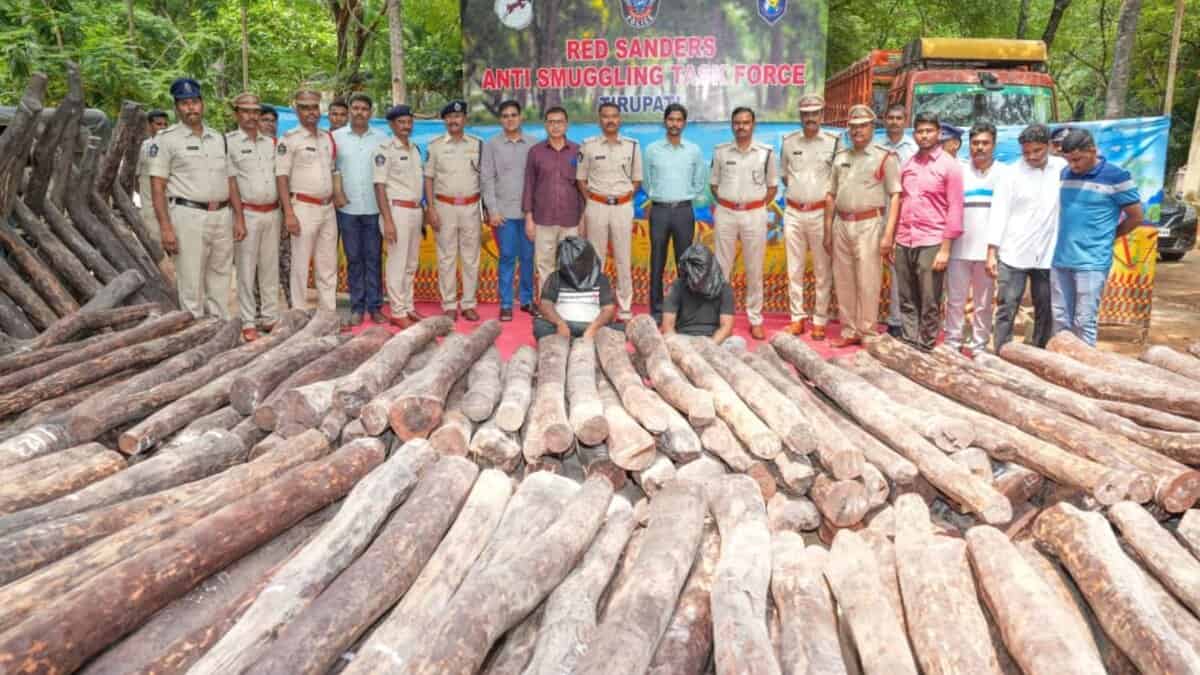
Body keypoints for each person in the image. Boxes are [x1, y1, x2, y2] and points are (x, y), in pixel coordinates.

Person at [147, 78, 234, 320]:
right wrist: (165, 227)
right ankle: (194, 333)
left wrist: (235, 217)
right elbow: (157, 187)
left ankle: (221, 329)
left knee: (220, 276)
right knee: (191, 280)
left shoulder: (217, 138)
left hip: (221, 215)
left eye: (195, 102)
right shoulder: (166, 140)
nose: (191, 108)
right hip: (188, 217)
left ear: (202, 104)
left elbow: (229, 179)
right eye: (184, 104)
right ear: (176, 108)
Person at [1051, 128, 1143, 346]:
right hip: (1061, 258)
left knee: (1084, 321)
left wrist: (1111, 235)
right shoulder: (1064, 174)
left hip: (1092, 262)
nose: (1073, 165)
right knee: (1060, 318)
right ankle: (1061, 365)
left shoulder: (1116, 177)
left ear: (1092, 150)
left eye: (1077, 159)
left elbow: (1136, 217)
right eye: (1069, 160)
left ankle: (1085, 369)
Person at [883, 111, 963, 351]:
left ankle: (926, 346)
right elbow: (900, 203)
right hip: (906, 239)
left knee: (929, 299)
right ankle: (909, 341)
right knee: (906, 297)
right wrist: (894, 239)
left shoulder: (949, 166)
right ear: (914, 134)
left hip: (932, 241)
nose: (924, 135)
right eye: (920, 131)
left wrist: (945, 250)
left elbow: (955, 210)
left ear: (938, 133)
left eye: (929, 131)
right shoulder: (909, 164)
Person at [825, 104, 901, 348]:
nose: (858, 131)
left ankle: (867, 331)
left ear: (872, 127)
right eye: (853, 127)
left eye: (863, 126)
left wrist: (888, 234)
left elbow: (896, 196)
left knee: (868, 279)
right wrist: (828, 230)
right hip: (842, 223)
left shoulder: (884, 157)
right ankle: (848, 330)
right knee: (844, 279)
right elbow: (831, 195)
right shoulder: (840, 158)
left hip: (870, 223)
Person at [987, 123, 1067, 350]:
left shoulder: (1062, 169)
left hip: (1048, 254)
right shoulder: (1010, 174)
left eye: (1038, 151)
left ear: (1050, 146)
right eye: (1026, 152)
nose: (1031, 157)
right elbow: (998, 213)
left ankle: (1039, 353)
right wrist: (992, 252)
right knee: (1007, 306)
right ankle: (1002, 351)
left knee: (1046, 307)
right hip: (1013, 253)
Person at [710, 106, 777, 340]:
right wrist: (730, 204)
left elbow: (772, 187)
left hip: (754, 214)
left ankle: (755, 318)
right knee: (721, 268)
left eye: (746, 122)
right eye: (737, 122)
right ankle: (720, 316)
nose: (741, 127)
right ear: (732, 125)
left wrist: (754, 205)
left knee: (754, 268)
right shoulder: (721, 152)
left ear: (753, 125)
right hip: (726, 212)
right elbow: (714, 185)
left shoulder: (766, 153)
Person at [577, 102, 642, 323]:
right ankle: (597, 306)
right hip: (596, 206)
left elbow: (637, 179)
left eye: (614, 116)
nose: (610, 120)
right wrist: (596, 200)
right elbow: (581, 179)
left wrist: (623, 198)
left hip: (623, 207)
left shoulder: (632, 146)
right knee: (596, 259)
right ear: (599, 120)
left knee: (624, 258)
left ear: (620, 119)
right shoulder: (588, 146)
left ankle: (624, 308)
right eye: (606, 116)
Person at [779, 94, 838, 339]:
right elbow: (785, 176)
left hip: (820, 214)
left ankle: (820, 320)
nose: (810, 118)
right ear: (800, 117)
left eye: (815, 113)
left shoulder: (834, 142)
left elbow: (836, 180)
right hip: (793, 211)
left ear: (822, 115)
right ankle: (797, 317)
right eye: (806, 114)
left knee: (823, 270)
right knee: (794, 268)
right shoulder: (789, 142)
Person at [276, 89, 339, 311]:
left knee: (327, 264)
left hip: (327, 208)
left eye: (314, 107)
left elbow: (332, 171)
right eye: (304, 107)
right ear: (296, 110)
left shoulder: (326, 138)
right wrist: (289, 213)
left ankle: (327, 314)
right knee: (300, 266)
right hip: (302, 208)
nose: (310, 112)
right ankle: (299, 314)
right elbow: (281, 177)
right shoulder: (289, 139)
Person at [643, 103, 706, 323]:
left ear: (684, 123)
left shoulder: (693, 150)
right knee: (657, 261)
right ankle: (658, 311)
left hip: (683, 211)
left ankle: (684, 309)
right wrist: (658, 195)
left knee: (685, 264)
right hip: (659, 210)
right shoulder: (652, 150)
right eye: (671, 119)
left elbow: (699, 181)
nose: (674, 124)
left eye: (679, 120)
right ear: (665, 122)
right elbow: (646, 182)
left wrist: (685, 195)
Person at [226, 92, 281, 341]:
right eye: (246, 111)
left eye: (255, 112)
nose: (251, 116)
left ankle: (270, 318)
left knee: (270, 269)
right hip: (246, 213)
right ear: (237, 113)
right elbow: (231, 183)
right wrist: (238, 218)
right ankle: (248, 321)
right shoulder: (228, 142)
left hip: (272, 212)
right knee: (246, 271)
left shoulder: (271, 143)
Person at [944, 121, 1001, 354]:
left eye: (985, 143)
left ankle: (979, 346)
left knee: (983, 304)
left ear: (993, 145)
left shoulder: (1004, 174)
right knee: (955, 301)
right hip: (959, 248)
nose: (980, 148)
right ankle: (952, 343)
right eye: (975, 143)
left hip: (988, 251)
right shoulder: (959, 172)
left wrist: (994, 251)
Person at [426, 100, 484, 321]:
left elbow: (484, 179)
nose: (453, 120)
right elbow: (429, 179)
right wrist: (430, 208)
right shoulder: (436, 146)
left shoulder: (477, 145)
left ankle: (468, 303)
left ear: (465, 119)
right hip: (444, 207)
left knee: (471, 257)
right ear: (444, 120)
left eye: (457, 117)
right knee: (446, 257)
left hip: (470, 206)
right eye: (449, 117)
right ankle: (449, 304)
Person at [333, 93, 386, 328]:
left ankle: (375, 307)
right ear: (350, 110)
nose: (359, 112)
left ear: (371, 112)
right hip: (348, 209)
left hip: (374, 208)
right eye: (355, 108)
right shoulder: (335, 138)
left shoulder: (382, 139)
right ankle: (356, 307)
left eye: (364, 108)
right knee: (354, 259)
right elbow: (331, 170)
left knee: (373, 258)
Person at [481, 100, 535, 322]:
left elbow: (538, 181)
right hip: (503, 214)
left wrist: (535, 213)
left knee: (529, 258)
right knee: (506, 258)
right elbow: (487, 179)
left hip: (529, 214)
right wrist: (492, 210)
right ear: (500, 120)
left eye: (514, 114)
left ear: (521, 117)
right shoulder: (491, 145)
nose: (510, 119)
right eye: (505, 115)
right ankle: (505, 303)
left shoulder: (533, 144)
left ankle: (527, 300)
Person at [523, 106, 584, 303]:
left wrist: (583, 219)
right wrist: (529, 219)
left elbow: (583, 187)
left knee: (570, 264)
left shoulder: (578, 151)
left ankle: (568, 306)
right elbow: (529, 186)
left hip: (571, 219)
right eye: (551, 122)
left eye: (559, 122)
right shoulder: (535, 152)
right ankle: (546, 306)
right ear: (545, 125)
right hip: (543, 219)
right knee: (544, 265)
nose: (555, 126)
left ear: (566, 125)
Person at [373, 104, 426, 329]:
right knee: (397, 262)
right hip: (396, 212)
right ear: (392, 125)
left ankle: (407, 305)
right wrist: (387, 220)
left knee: (411, 262)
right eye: (401, 122)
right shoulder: (384, 150)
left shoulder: (414, 149)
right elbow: (379, 186)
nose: (406, 126)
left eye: (408, 122)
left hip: (415, 210)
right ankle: (396, 311)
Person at [879, 103, 918, 337]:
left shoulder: (914, 150)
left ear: (905, 120)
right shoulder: (875, 147)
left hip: (902, 215)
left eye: (898, 118)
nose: (894, 122)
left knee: (898, 270)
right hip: (874, 213)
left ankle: (897, 321)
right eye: (890, 117)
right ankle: (864, 321)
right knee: (869, 268)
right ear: (884, 120)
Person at [533, 236, 615, 339]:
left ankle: (573, 341)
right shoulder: (555, 277)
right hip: (564, 325)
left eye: (580, 262)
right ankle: (573, 340)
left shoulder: (601, 279)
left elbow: (608, 309)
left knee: (617, 329)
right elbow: (545, 304)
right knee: (540, 326)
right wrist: (560, 324)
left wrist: (594, 328)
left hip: (591, 325)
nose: (577, 266)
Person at [661, 244, 734, 343]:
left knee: (737, 342)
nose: (696, 279)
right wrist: (679, 347)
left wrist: (710, 346)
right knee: (665, 339)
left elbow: (726, 328)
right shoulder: (677, 286)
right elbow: (667, 326)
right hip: (684, 338)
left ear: (711, 268)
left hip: (713, 339)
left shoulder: (725, 288)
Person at [137, 109, 170, 244]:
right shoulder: (143, 147)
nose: (162, 128)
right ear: (149, 126)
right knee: (155, 242)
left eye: (165, 124)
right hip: (149, 206)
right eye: (158, 124)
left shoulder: (172, 147)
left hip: (170, 206)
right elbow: (136, 176)